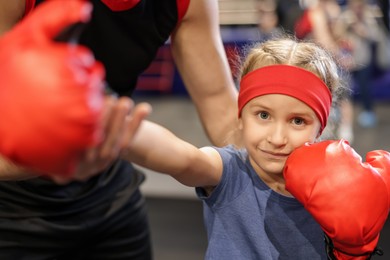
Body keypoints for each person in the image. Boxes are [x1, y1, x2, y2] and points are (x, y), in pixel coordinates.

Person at [0, 0, 238, 259]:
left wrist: (278, 150)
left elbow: (219, 104)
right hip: (10, 200)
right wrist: (53, 153)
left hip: (107, 186)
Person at [124, 37, 390, 259]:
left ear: (319, 128)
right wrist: (118, 130)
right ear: (240, 117)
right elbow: (183, 159)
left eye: (297, 121)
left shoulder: (338, 184)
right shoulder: (229, 172)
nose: (276, 137)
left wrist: (354, 249)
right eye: (263, 115)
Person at [294, 0, 355, 143]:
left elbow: (333, 37)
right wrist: (341, 56)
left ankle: (342, 131)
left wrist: (341, 54)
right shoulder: (316, 12)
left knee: (340, 96)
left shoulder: (327, 11)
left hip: (321, 62)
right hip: (314, 63)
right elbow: (324, 40)